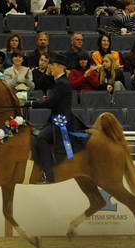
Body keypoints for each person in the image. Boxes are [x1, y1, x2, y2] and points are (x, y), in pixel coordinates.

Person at [23, 53, 87, 183]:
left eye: (51, 65)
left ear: (58, 66)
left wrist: (31, 103)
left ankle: (48, 174)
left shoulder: (62, 83)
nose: (50, 68)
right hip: (57, 118)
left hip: (62, 121)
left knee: (41, 139)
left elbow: (50, 103)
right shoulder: (59, 81)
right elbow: (51, 96)